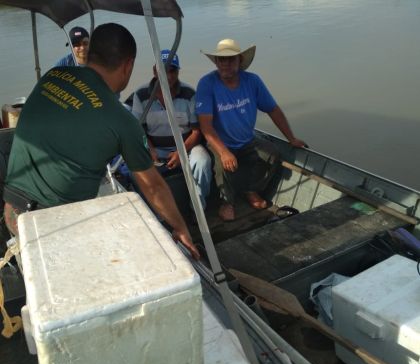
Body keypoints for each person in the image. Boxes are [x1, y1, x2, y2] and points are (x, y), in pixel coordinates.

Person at [3, 23, 199, 259]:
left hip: (11, 211)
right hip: (54, 225)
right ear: (128, 65)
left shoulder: (53, 77)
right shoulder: (122, 120)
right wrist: (181, 228)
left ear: (90, 53)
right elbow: (153, 186)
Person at [195, 38, 306, 221]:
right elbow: (205, 126)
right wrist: (223, 152)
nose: (226, 64)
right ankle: (227, 202)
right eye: (221, 60)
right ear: (216, 62)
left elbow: (273, 109)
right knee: (224, 164)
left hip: (247, 139)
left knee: (271, 153)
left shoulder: (252, 81)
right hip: (220, 141)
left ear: (240, 61)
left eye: (231, 59)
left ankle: (251, 190)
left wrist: (291, 138)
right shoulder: (207, 84)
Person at [129, 49, 212, 209]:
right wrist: (150, 149)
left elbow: (197, 131)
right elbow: (137, 130)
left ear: (178, 72)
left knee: (203, 161)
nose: (168, 75)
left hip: (186, 147)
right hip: (156, 149)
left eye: (172, 70)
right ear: (155, 71)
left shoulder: (189, 94)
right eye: (163, 70)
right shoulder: (141, 95)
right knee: (136, 172)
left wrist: (180, 152)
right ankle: (158, 214)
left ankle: (198, 208)